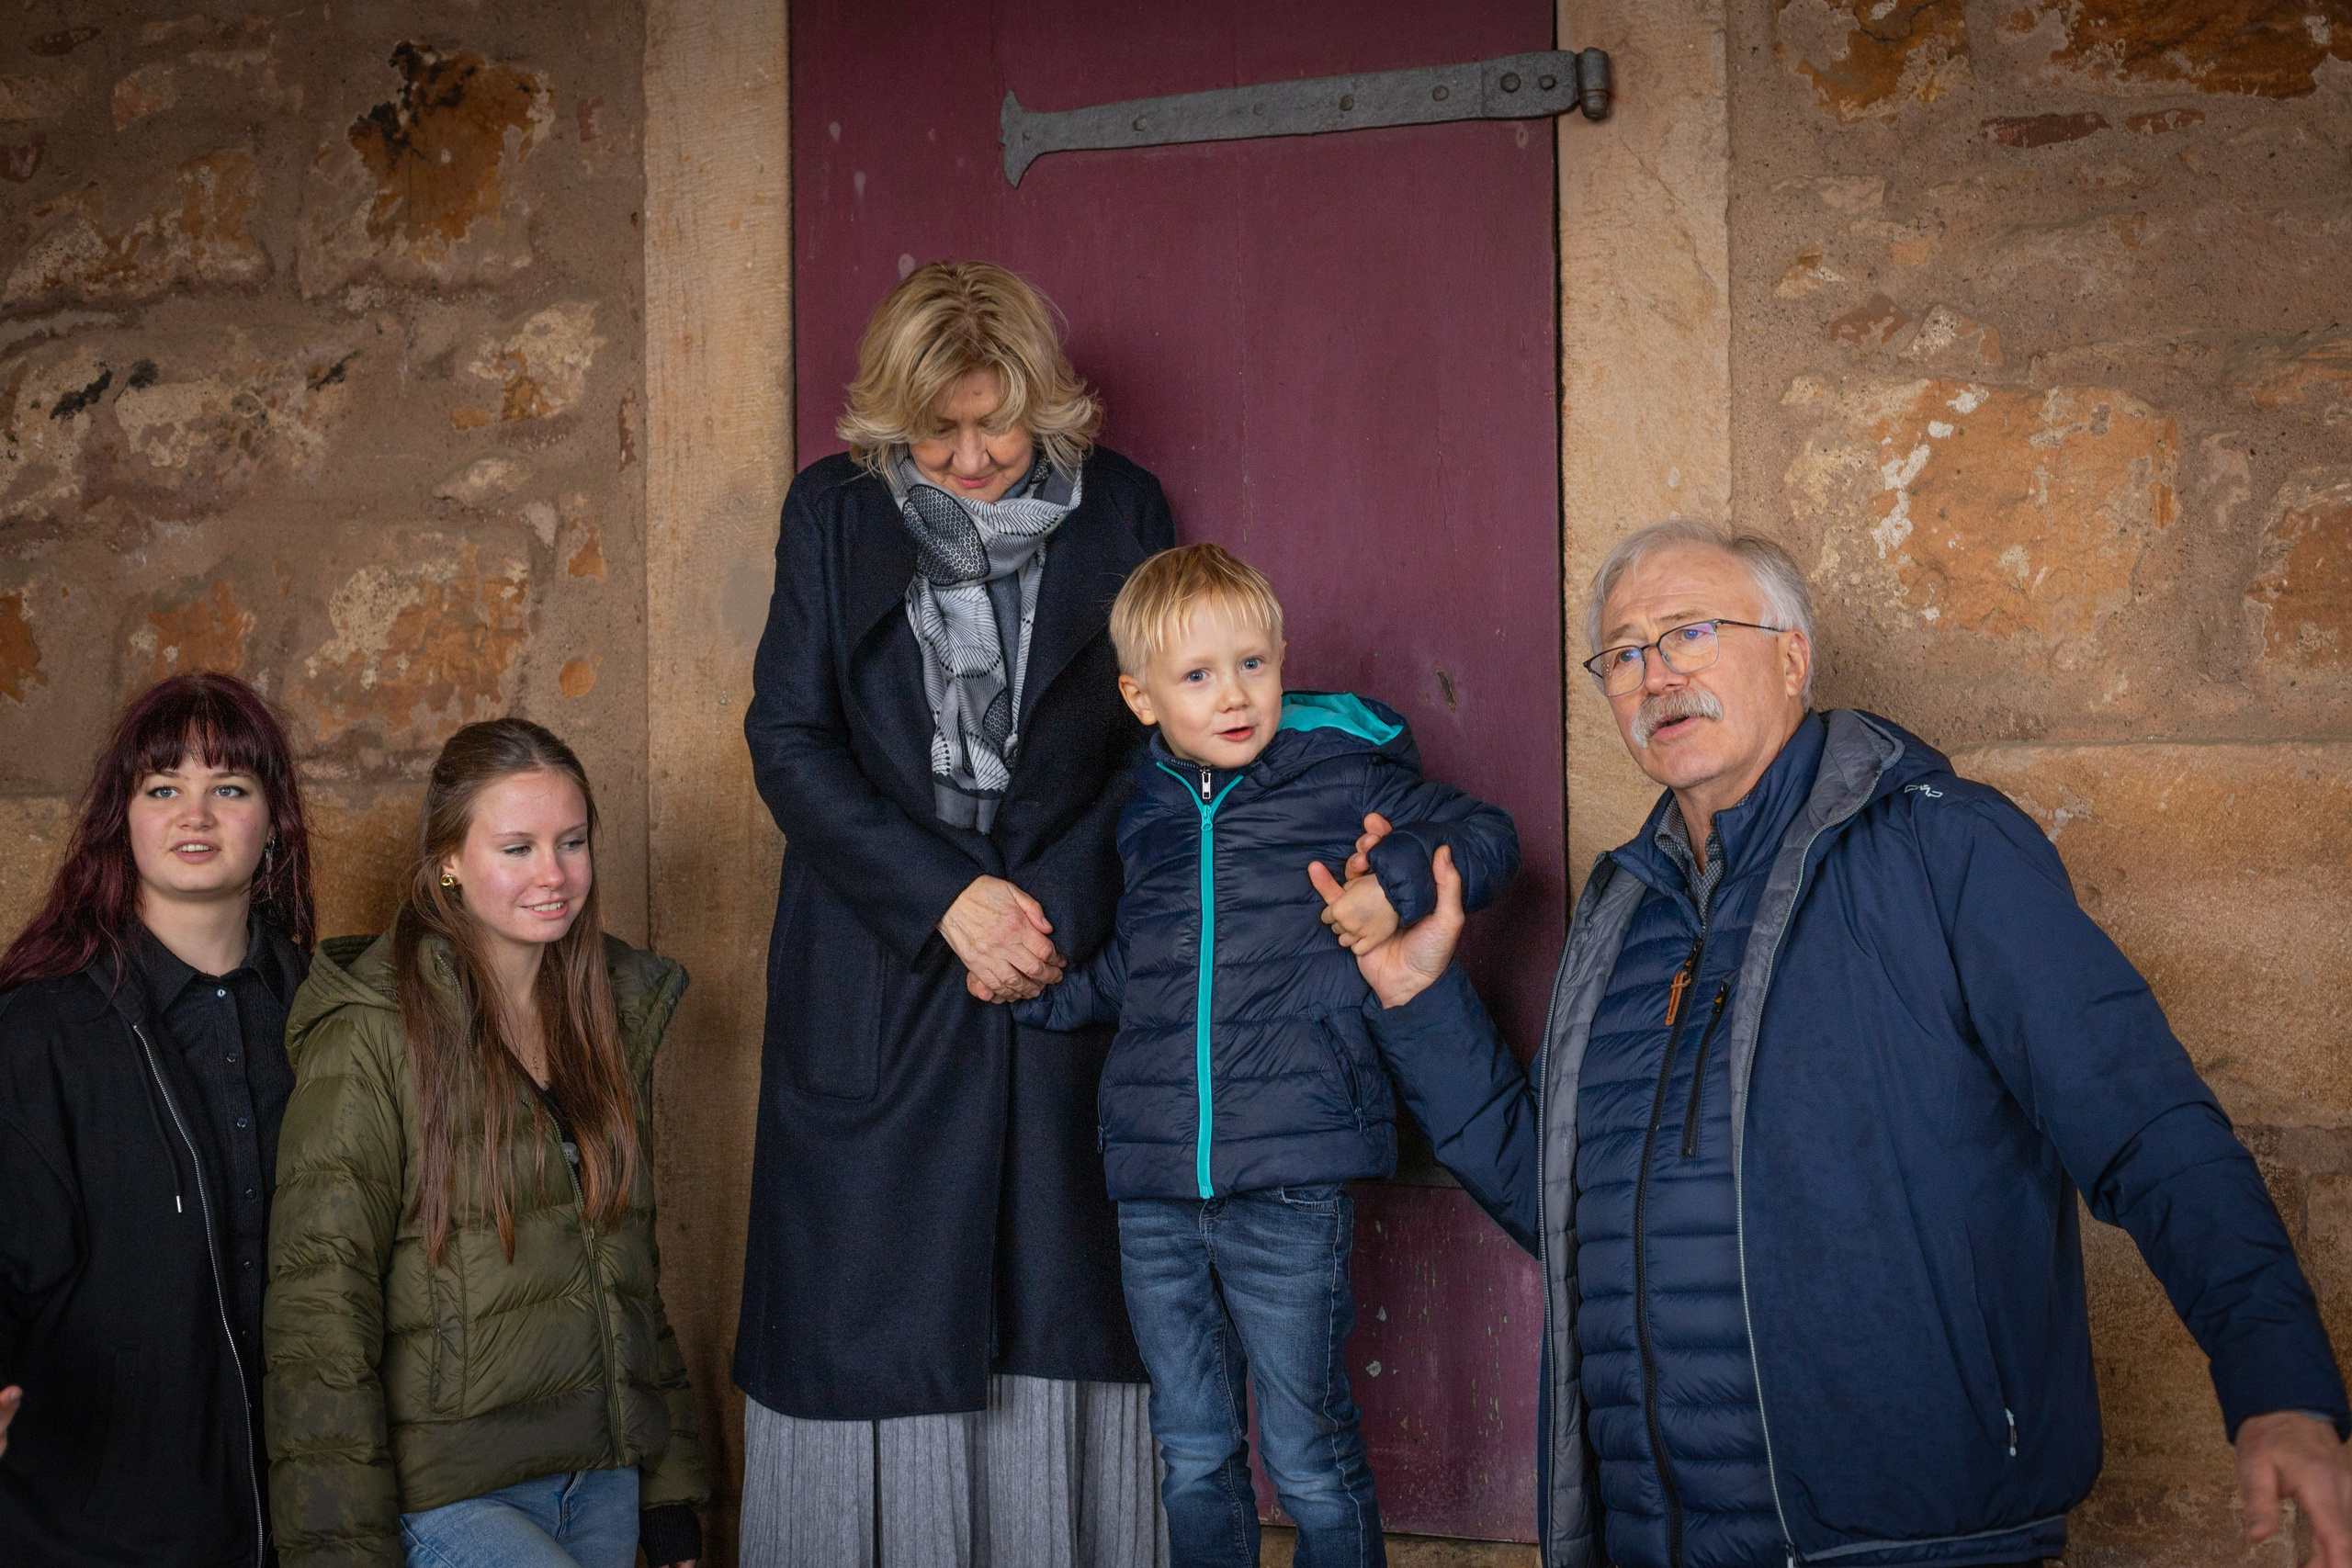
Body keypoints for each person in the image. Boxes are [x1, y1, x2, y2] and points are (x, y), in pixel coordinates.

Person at [1343, 518, 2352, 1568]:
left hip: (1913, 1540)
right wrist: (1420, 1002)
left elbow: (2145, 1127)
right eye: (1625, 653)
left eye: (1690, 633)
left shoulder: (1943, 847)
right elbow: (1555, 1201)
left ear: (1792, 657)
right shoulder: (1624, 915)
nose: (1654, 676)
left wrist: (2277, 1384)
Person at [737, 261, 1177, 1567]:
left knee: (1060, 1304)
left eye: (1001, 422)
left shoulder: (1127, 506)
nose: (975, 455)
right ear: (890, 417)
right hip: (876, 965)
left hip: (1055, 964)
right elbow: (789, 737)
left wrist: (1044, 906)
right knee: (867, 1309)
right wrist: (947, 899)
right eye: (942, 428)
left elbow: (1159, 748)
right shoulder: (829, 513)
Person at [1012, 544, 1521, 1568]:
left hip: (1289, 1179)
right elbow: (1136, 974)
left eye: (1252, 664)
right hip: (1155, 1185)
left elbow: (1488, 835)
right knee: (1193, 1447)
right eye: (1197, 677)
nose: (1233, 695)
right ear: (1141, 698)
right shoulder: (1146, 811)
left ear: (1283, 658)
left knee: (1305, 1449)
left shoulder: (1343, 774)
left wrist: (1402, 888)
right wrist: (1034, 993)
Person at [264, 718, 707, 1568]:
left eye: (571, 842)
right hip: (454, 1498)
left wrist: (671, 1491)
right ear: (449, 862)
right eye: (518, 846)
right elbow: (319, 1313)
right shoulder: (371, 1032)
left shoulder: (603, 1015)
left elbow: (629, 1279)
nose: (554, 874)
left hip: (603, 1481)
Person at [0, 673, 315, 1568]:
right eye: (163, 787)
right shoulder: (41, 1031)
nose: (197, 815)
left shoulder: (333, 1017)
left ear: (273, 820)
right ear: (122, 817)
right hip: (99, 1531)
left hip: (298, 1520)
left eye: (231, 788)